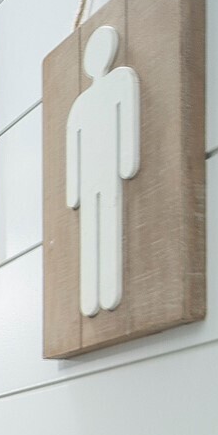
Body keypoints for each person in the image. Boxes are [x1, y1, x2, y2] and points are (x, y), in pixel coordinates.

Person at [65, 24, 141, 316]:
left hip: (107, 169)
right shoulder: (81, 103)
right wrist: (73, 192)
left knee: (108, 221)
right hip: (91, 176)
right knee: (91, 229)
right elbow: (74, 143)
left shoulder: (121, 80)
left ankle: (108, 292)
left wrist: (126, 162)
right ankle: (90, 297)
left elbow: (128, 122)